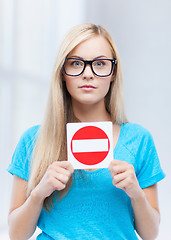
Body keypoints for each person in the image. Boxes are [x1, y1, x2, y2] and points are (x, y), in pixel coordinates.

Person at [7, 23, 165, 240]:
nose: (88, 74)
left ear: (113, 73)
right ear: (62, 72)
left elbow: (151, 234)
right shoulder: (33, 140)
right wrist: (38, 194)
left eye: (100, 64)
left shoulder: (138, 139)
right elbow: (16, 234)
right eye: (76, 63)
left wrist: (136, 193)